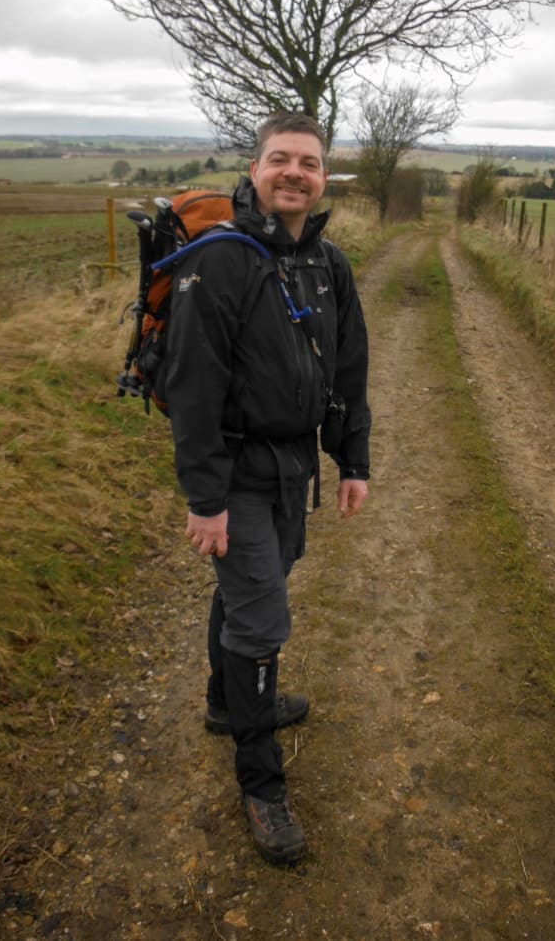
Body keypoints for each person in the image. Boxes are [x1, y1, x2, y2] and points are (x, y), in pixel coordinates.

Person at [164, 111, 371, 865]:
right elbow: (191, 389)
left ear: (323, 178)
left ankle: (227, 703)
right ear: (254, 170)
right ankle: (261, 784)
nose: (294, 173)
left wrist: (352, 460)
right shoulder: (219, 260)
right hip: (235, 471)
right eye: (280, 159)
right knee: (261, 623)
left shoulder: (327, 262)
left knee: (255, 587)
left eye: (309, 163)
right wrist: (206, 501)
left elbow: (347, 368)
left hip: (294, 468)